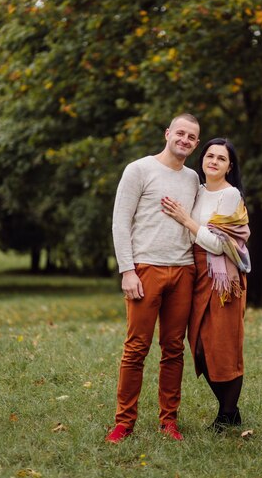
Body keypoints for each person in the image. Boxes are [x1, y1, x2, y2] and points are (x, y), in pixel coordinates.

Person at [106, 113, 200, 443]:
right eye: (181, 133)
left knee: (174, 349)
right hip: (146, 269)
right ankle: (123, 422)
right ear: (168, 133)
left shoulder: (192, 179)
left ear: (196, 144)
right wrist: (127, 270)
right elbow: (121, 222)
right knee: (136, 349)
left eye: (191, 137)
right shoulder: (139, 169)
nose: (185, 140)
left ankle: (169, 421)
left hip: (183, 271)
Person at [161, 138, 251, 432]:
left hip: (224, 277)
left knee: (223, 346)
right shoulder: (197, 192)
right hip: (198, 274)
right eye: (209, 156)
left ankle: (226, 414)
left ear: (229, 166)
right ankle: (231, 410)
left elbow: (221, 244)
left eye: (221, 158)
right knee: (199, 347)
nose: (213, 161)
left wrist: (187, 221)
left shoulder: (230, 196)